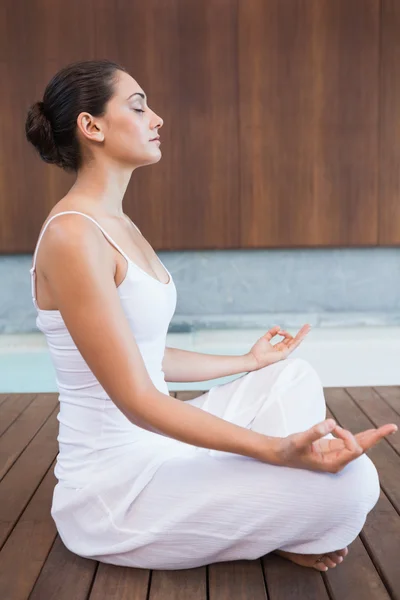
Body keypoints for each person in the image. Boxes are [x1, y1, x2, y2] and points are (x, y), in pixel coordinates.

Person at [25, 59, 397, 573]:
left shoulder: (116, 222)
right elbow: (136, 399)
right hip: (117, 490)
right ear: (92, 127)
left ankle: (280, 514)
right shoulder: (73, 236)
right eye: (138, 107)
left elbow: (147, 355)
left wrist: (245, 361)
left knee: (289, 375)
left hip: (160, 445)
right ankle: (286, 512)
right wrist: (275, 449)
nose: (157, 119)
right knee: (357, 485)